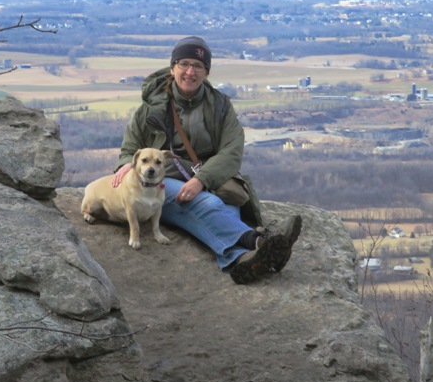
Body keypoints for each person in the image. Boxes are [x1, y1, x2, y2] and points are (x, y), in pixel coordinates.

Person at [111, 35, 302, 284]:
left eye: (198, 66)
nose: (190, 72)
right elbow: (130, 148)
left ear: (206, 72)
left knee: (227, 208)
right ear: (173, 68)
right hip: (160, 179)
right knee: (208, 205)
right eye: (184, 64)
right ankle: (258, 242)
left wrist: (201, 179)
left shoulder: (219, 106)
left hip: (209, 176)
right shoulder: (151, 107)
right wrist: (126, 163)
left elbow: (232, 151)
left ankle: (243, 261)